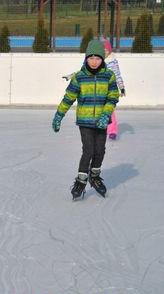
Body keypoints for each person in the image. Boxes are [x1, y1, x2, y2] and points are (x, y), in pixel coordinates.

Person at [52, 39, 120, 200]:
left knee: (100, 151)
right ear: (86, 58)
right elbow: (68, 98)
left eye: (97, 58)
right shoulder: (80, 77)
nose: (94, 62)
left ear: (102, 59)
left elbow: (113, 97)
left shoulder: (108, 76)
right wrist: (58, 115)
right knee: (88, 150)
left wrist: (105, 114)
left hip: (102, 121)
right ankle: (81, 181)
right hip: (85, 121)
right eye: (91, 58)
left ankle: (94, 176)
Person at [102, 39, 126, 140]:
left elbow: (117, 75)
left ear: (109, 51)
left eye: (106, 50)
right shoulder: (96, 60)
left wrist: (122, 88)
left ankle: (112, 130)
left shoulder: (113, 61)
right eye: (102, 50)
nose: (104, 52)